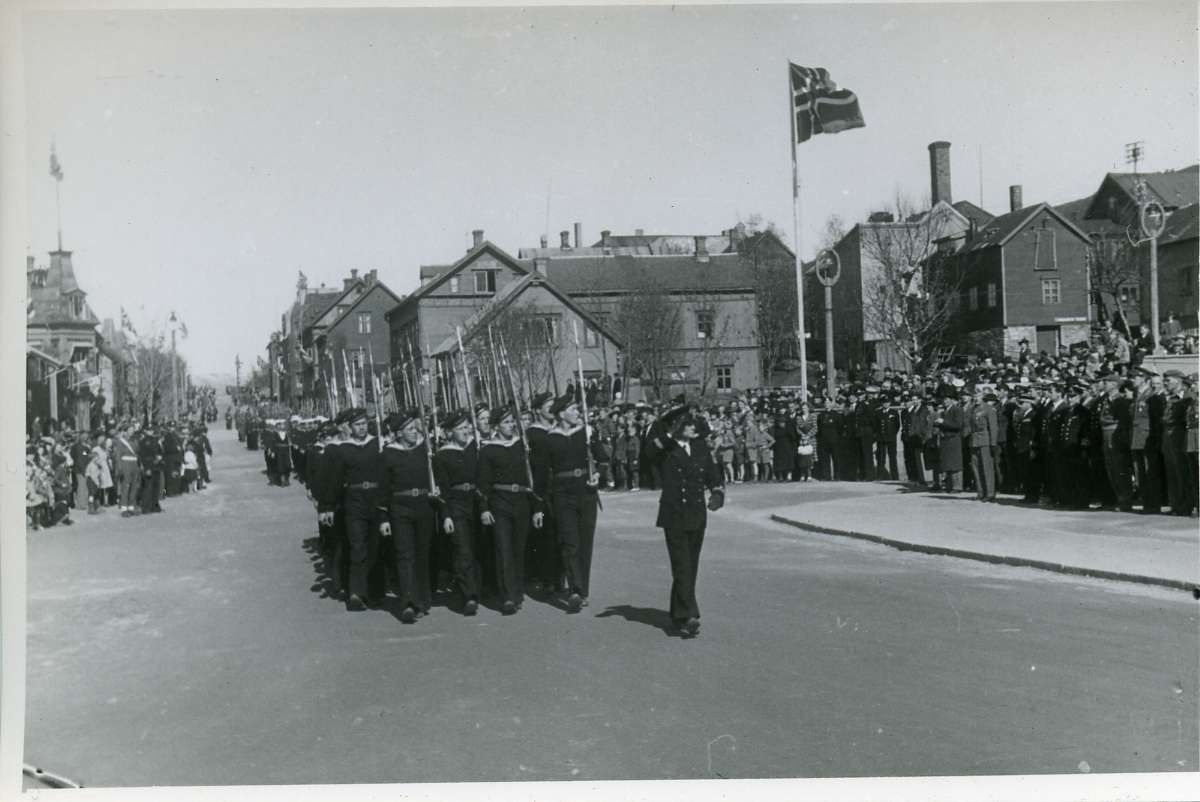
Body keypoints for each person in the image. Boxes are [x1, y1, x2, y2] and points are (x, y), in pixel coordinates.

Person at [644, 404, 724, 638]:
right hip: (674, 514)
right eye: (687, 424)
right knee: (682, 565)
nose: (693, 426)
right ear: (676, 427)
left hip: (697, 514)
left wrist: (717, 493)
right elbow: (649, 453)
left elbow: (712, 473)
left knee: (690, 565)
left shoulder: (699, 446)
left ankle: (678, 614)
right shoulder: (665, 449)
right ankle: (690, 615)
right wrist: (670, 434)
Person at [318, 408, 382, 612]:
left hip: (376, 500)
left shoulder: (377, 445)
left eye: (364, 424)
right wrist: (327, 506)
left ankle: (372, 592)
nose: (362, 428)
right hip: (353, 502)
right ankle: (356, 593)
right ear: (350, 427)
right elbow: (335, 481)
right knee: (357, 546)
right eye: (357, 425)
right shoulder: (343, 450)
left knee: (374, 547)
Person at [478, 405, 541, 615]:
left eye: (512, 421)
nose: (511, 425)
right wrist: (484, 508)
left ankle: (517, 591)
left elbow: (532, 478)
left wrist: (536, 507)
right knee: (503, 549)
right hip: (500, 503)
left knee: (518, 549)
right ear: (496, 426)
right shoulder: (488, 450)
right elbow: (483, 483)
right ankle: (507, 597)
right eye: (505, 422)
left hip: (521, 501)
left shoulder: (522, 446)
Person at [378, 409, 439, 622]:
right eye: (410, 429)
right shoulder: (388, 454)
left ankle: (422, 599)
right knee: (405, 555)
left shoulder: (425, 449)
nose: (415, 432)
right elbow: (383, 489)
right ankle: (408, 603)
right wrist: (383, 518)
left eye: (415, 428)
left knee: (422, 554)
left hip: (423, 507)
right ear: (399, 433)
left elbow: (436, 474)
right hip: (400, 508)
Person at [542, 393, 600, 612]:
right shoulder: (550, 438)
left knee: (585, 542)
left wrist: (598, 475)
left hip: (586, 492)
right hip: (562, 494)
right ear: (561, 414)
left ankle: (583, 589)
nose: (578, 413)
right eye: (574, 409)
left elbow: (602, 458)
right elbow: (544, 472)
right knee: (570, 542)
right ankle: (575, 589)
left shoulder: (585, 433)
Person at [432, 408, 482, 616]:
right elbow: (442, 489)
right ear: (450, 432)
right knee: (463, 550)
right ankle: (468, 595)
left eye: (467, 427)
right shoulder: (442, 456)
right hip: (456, 505)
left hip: (476, 502)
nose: (465, 431)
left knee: (477, 547)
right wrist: (446, 515)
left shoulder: (474, 449)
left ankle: (478, 589)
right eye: (461, 428)